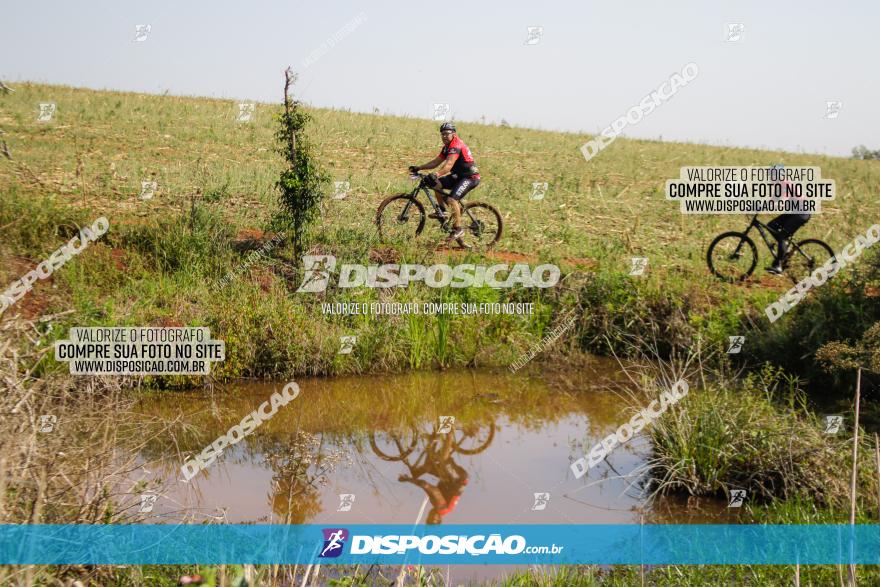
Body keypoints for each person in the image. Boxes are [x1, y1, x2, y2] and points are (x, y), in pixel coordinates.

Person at [408, 122, 481, 244]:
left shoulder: (456, 146)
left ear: (454, 134)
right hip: (458, 176)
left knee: (452, 199)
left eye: (447, 134)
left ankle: (458, 229)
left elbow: (448, 165)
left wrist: (436, 174)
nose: (444, 136)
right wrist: (419, 167)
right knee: (436, 184)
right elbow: (435, 162)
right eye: (442, 134)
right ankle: (443, 210)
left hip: (470, 177)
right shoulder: (447, 147)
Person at [765, 164, 811, 274]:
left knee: (782, 235)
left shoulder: (785, 183)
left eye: (772, 175)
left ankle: (779, 265)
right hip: (793, 211)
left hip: (801, 212)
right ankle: (783, 249)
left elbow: (782, 199)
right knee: (771, 226)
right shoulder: (778, 184)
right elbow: (774, 199)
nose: (770, 178)